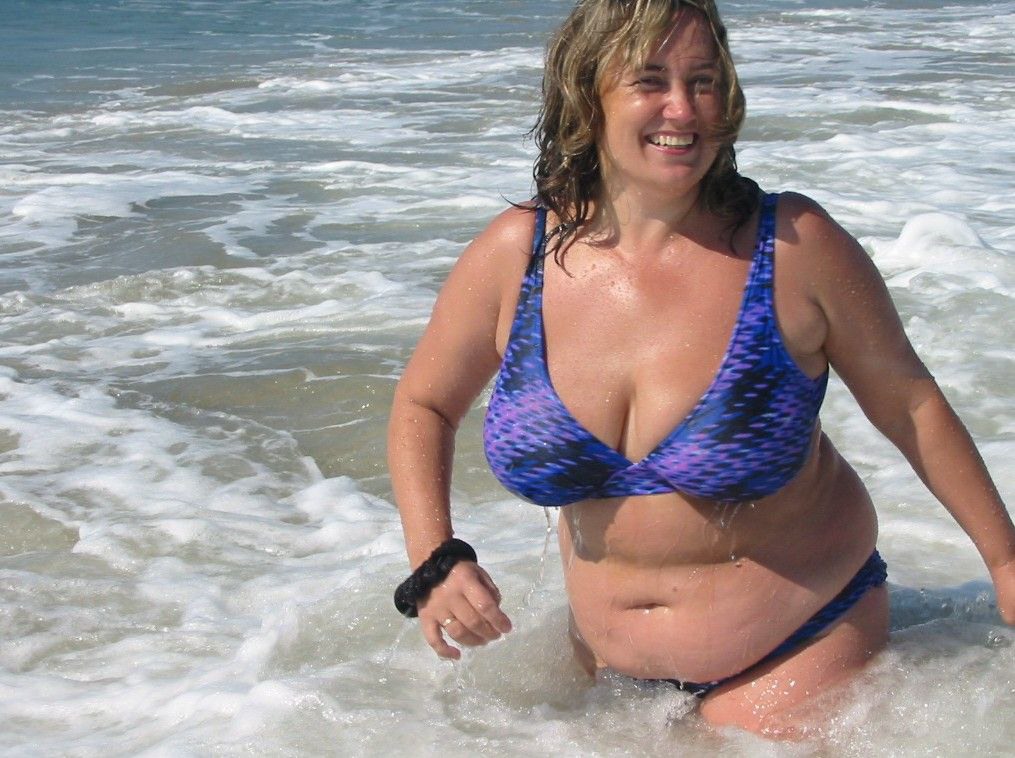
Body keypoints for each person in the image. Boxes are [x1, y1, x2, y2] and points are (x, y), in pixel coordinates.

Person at [387, 0, 1014, 736]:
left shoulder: (794, 248)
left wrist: (1005, 564)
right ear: (587, 94)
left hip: (799, 642)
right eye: (651, 80)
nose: (683, 109)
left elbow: (909, 405)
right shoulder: (515, 254)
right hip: (604, 673)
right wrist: (435, 559)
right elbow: (425, 404)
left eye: (705, 81)